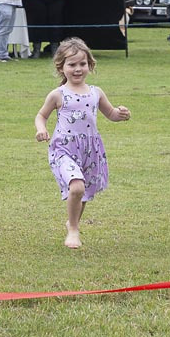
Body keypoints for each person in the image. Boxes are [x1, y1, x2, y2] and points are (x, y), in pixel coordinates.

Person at [35, 37, 131, 249]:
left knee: (83, 193)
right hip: (64, 149)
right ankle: (73, 229)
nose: (77, 69)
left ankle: (73, 222)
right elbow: (41, 116)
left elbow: (111, 114)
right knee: (77, 187)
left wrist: (121, 114)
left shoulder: (96, 93)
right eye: (72, 64)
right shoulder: (58, 95)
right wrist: (41, 129)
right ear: (61, 67)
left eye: (82, 64)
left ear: (90, 64)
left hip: (90, 151)